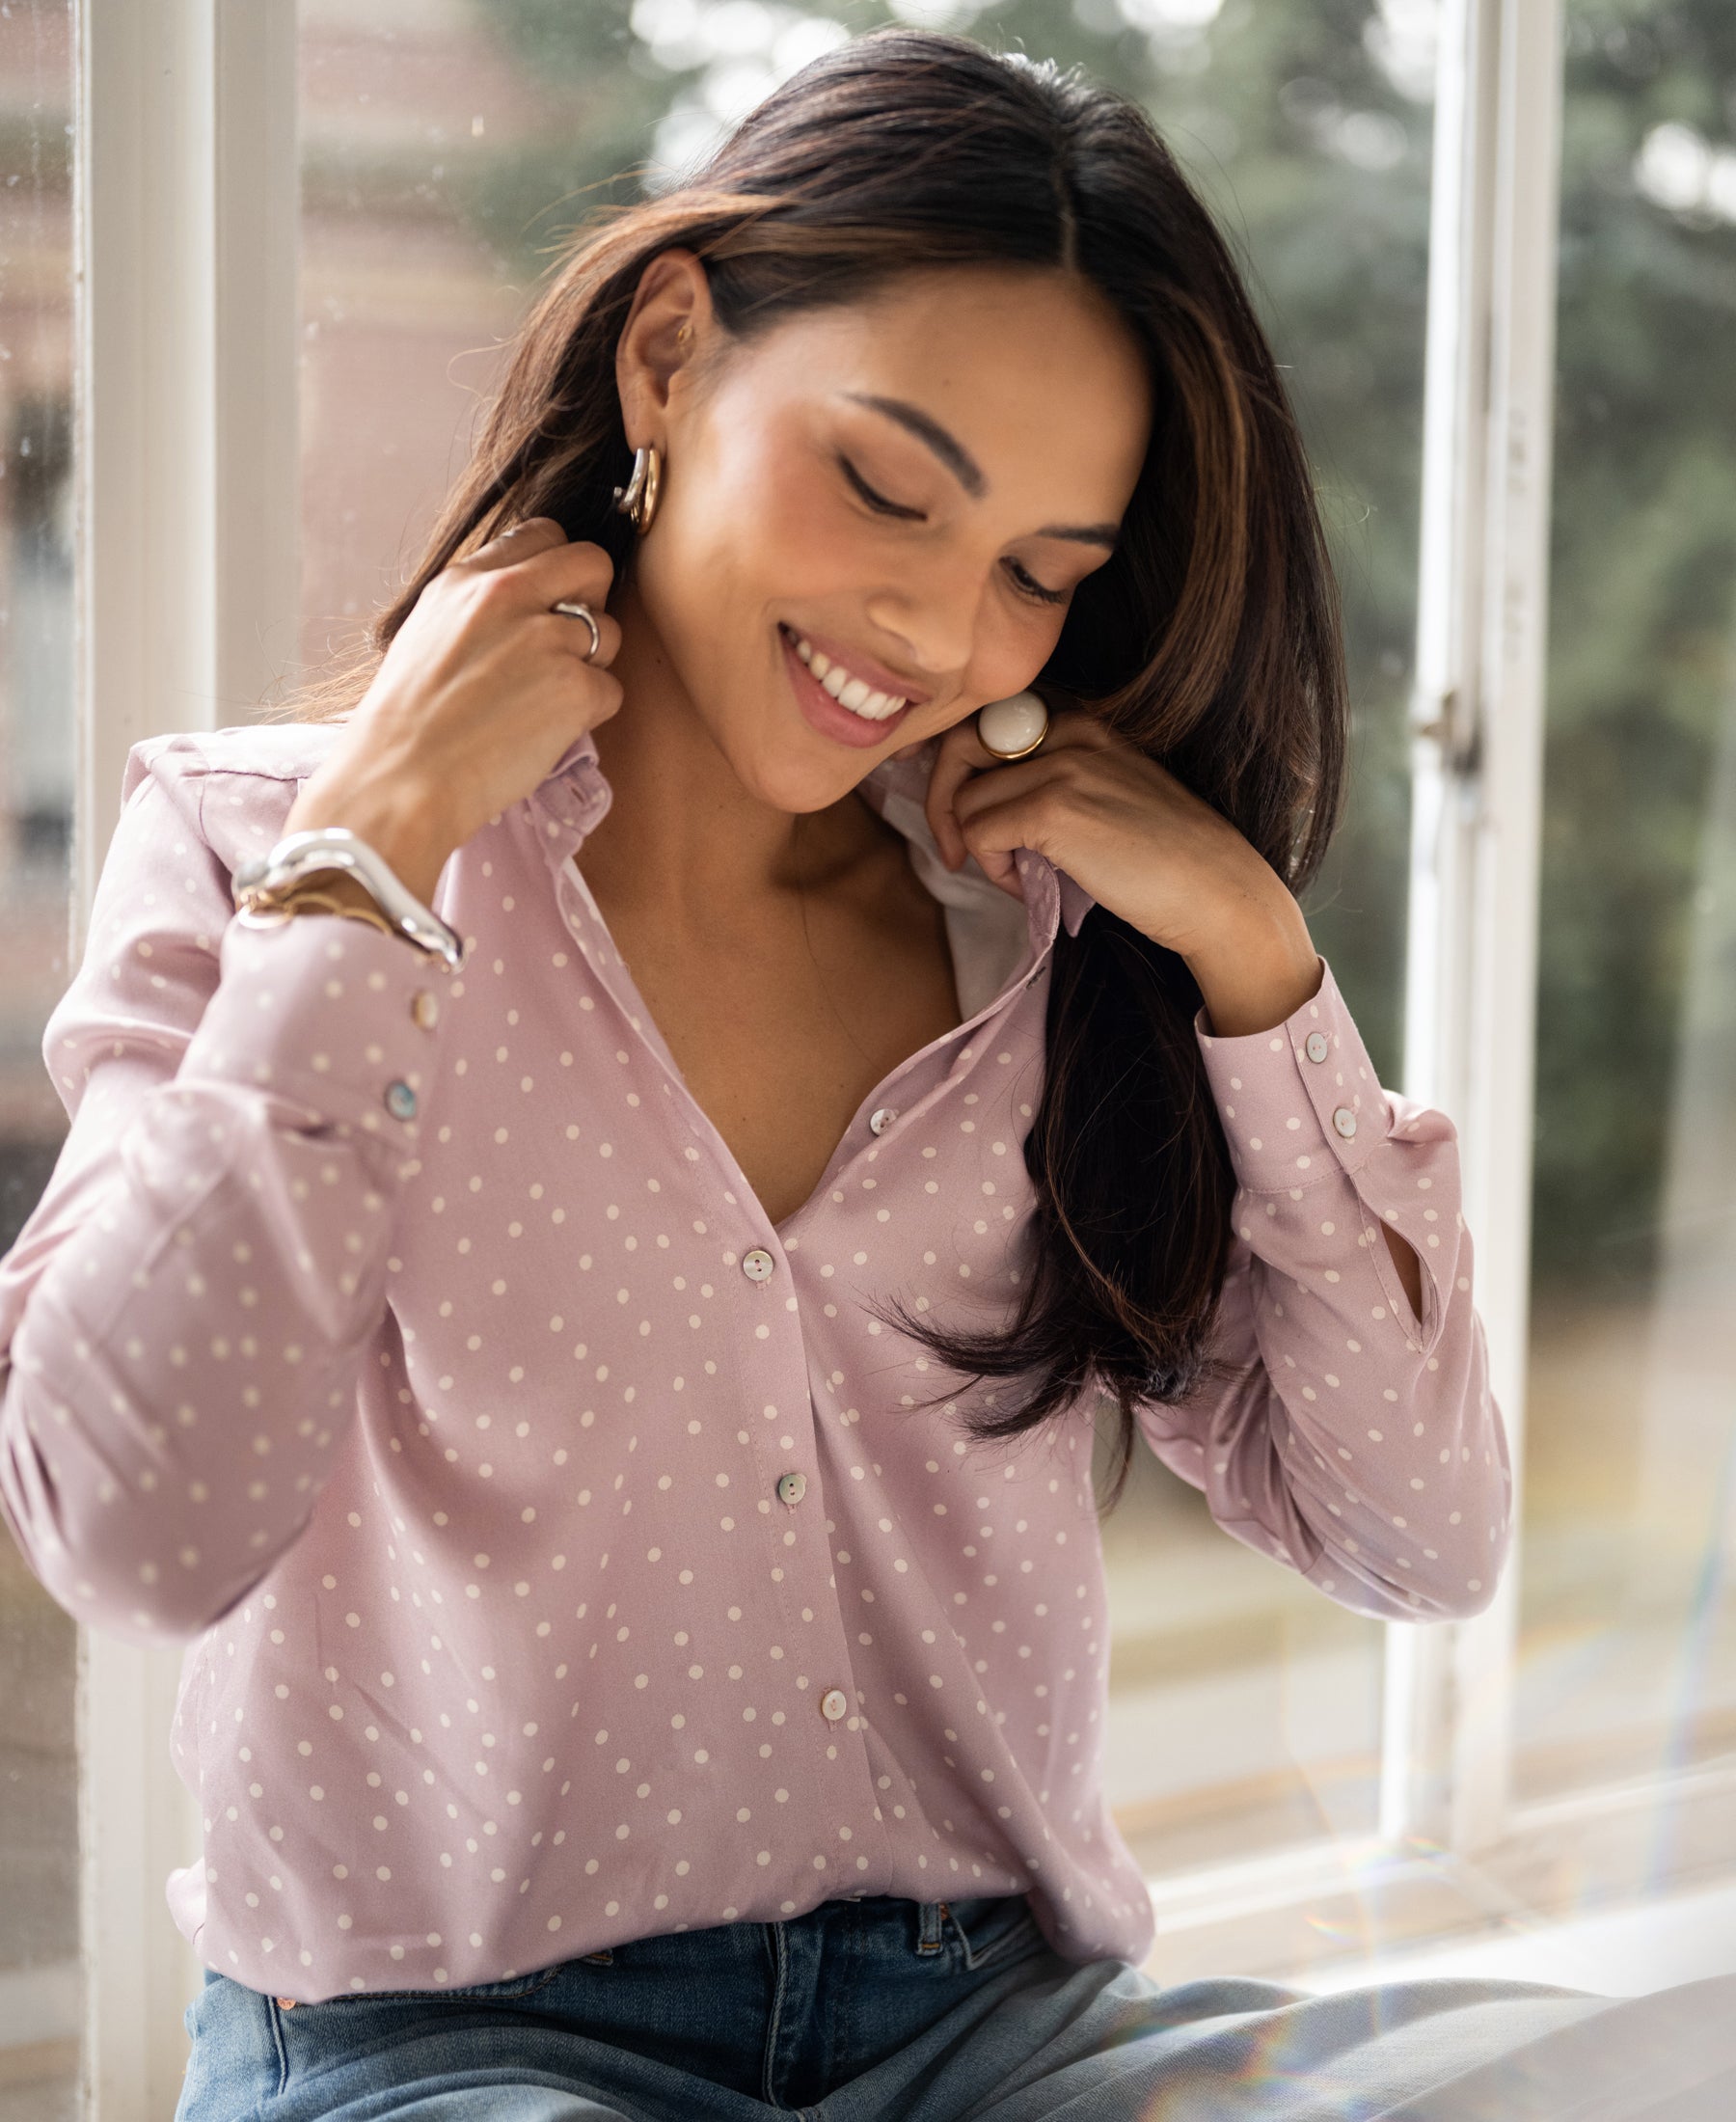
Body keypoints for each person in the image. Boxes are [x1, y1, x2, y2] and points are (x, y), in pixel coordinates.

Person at [2, 25, 1732, 2121]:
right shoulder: (263, 851)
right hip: (441, 2050)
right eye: (886, 486)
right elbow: (133, 1529)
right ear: (667, 357)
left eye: (1041, 575)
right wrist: (369, 857)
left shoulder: (1055, 946)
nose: (934, 624)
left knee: (1635, 2060)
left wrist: (1257, 957)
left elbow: (1419, 1536)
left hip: (999, 2037)